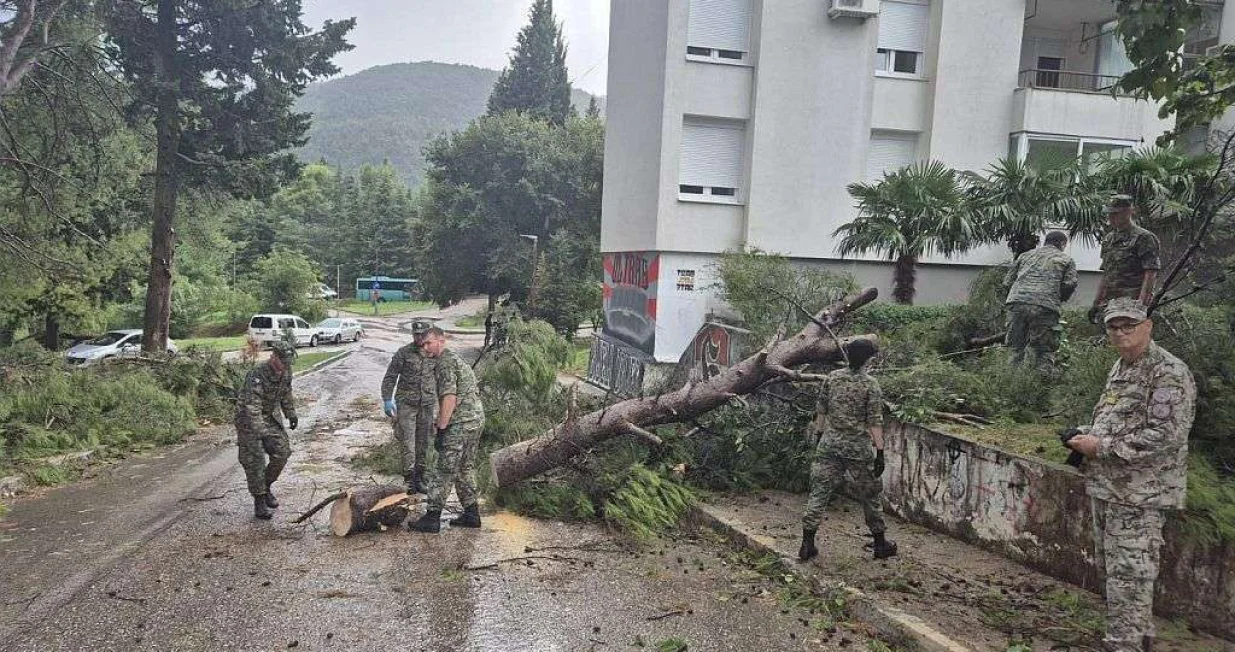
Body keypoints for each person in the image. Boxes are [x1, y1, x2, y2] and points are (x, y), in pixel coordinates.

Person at [1064, 298, 1196, 652]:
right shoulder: (1122, 366)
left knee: (1129, 575)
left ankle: (1124, 645)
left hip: (1141, 494)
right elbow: (1117, 419)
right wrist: (1083, 435)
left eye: (1129, 326)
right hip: (1109, 487)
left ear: (1148, 327)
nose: (1121, 333)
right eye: (1114, 327)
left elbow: (1167, 436)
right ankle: (1138, 639)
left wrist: (1100, 447)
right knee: (1115, 573)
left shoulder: (1167, 371)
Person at [800, 339, 896, 562]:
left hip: (830, 444)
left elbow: (821, 410)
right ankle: (880, 544)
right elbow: (874, 422)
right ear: (867, 359)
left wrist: (818, 437)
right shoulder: (870, 385)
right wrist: (880, 451)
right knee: (870, 495)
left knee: (819, 492)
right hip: (857, 449)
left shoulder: (832, 378)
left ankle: (807, 543)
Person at [408, 327, 486, 533]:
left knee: (443, 468)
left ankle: (432, 518)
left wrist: (442, 429)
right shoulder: (455, 359)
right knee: (465, 468)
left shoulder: (445, 363)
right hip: (475, 419)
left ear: (441, 341)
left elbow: (450, 397)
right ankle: (472, 513)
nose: (425, 348)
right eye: (422, 344)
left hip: (460, 423)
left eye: (428, 343)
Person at [236, 340, 298, 520]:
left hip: (270, 416)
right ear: (273, 357)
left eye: (288, 363)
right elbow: (252, 408)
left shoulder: (286, 371)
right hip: (248, 420)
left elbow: (286, 393)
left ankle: (266, 486)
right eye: (282, 362)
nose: (285, 367)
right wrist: (263, 434)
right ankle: (259, 501)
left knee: (282, 452)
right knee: (254, 459)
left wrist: (291, 414)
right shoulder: (257, 374)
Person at [1003, 230, 1079, 370]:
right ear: (1063, 244)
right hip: (1045, 307)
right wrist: (1058, 298)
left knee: (1015, 349)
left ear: (1046, 242)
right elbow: (1070, 284)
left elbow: (1007, 282)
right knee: (1044, 351)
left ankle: (1010, 383)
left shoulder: (1025, 256)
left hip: (1016, 303)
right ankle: (1042, 385)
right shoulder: (1066, 260)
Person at [380, 320, 438, 493]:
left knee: (423, 443)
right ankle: (409, 479)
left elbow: (442, 379)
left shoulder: (433, 354)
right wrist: (387, 399)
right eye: (415, 334)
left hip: (426, 404)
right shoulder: (403, 353)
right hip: (406, 404)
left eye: (422, 334)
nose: (419, 337)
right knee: (408, 442)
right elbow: (390, 377)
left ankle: (420, 477)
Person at [1090, 195, 1161, 322]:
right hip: (1109, 303)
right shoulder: (1109, 239)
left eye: (1115, 213)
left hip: (1130, 302)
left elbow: (1150, 273)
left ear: (1128, 212)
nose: (1111, 217)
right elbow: (1106, 273)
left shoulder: (1143, 237)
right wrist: (1096, 303)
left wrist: (1141, 304)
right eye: (1109, 214)